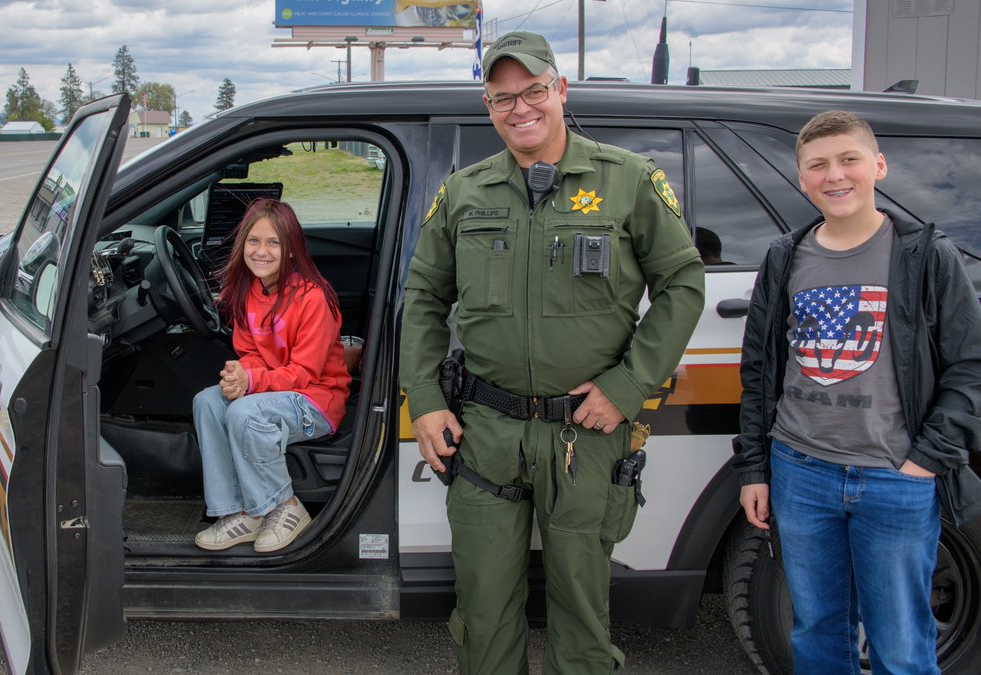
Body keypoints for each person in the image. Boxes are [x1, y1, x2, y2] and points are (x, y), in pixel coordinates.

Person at [399, 31, 704, 673]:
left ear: (560, 90)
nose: (519, 107)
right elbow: (424, 297)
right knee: (483, 614)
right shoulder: (464, 192)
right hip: (486, 431)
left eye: (533, 90)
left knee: (582, 616)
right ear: (489, 106)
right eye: (502, 97)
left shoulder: (627, 181)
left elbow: (682, 284)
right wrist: (424, 400)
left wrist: (628, 387)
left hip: (586, 435)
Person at [733, 110, 981, 673]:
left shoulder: (924, 258)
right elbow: (759, 371)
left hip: (895, 477)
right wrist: (755, 468)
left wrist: (927, 460)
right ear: (801, 178)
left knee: (902, 644)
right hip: (800, 471)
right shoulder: (784, 258)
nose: (834, 175)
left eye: (849, 159)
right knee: (817, 633)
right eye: (817, 165)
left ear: (879, 166)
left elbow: (971, 367)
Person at [192, 198, 351, 553]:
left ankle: (285, 508)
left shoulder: (313, 299)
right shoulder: (249, 292)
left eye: (273, 243)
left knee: (244, 412)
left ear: (291, 250)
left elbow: (305, 372)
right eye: (253, 241)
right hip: (277, 392)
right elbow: (251, 353)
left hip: (317, 400)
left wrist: (252, 383)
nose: (261, 251)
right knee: (207, 402)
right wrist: (240, 373)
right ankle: (239, 513)